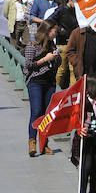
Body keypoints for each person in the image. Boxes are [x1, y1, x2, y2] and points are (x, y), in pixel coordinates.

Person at [23, 21, 61, 156]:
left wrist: (56, 57)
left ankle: (44, 143)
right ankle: (32, 141)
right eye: (54, 31)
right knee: (36, 110)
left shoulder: (52, 45)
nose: (55, 33)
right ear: (47, 31)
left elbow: (56, 63)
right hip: (36, 82)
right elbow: (28, 65)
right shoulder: (32, 45)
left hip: (49, 81)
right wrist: (45, 59)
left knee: (46, 114)